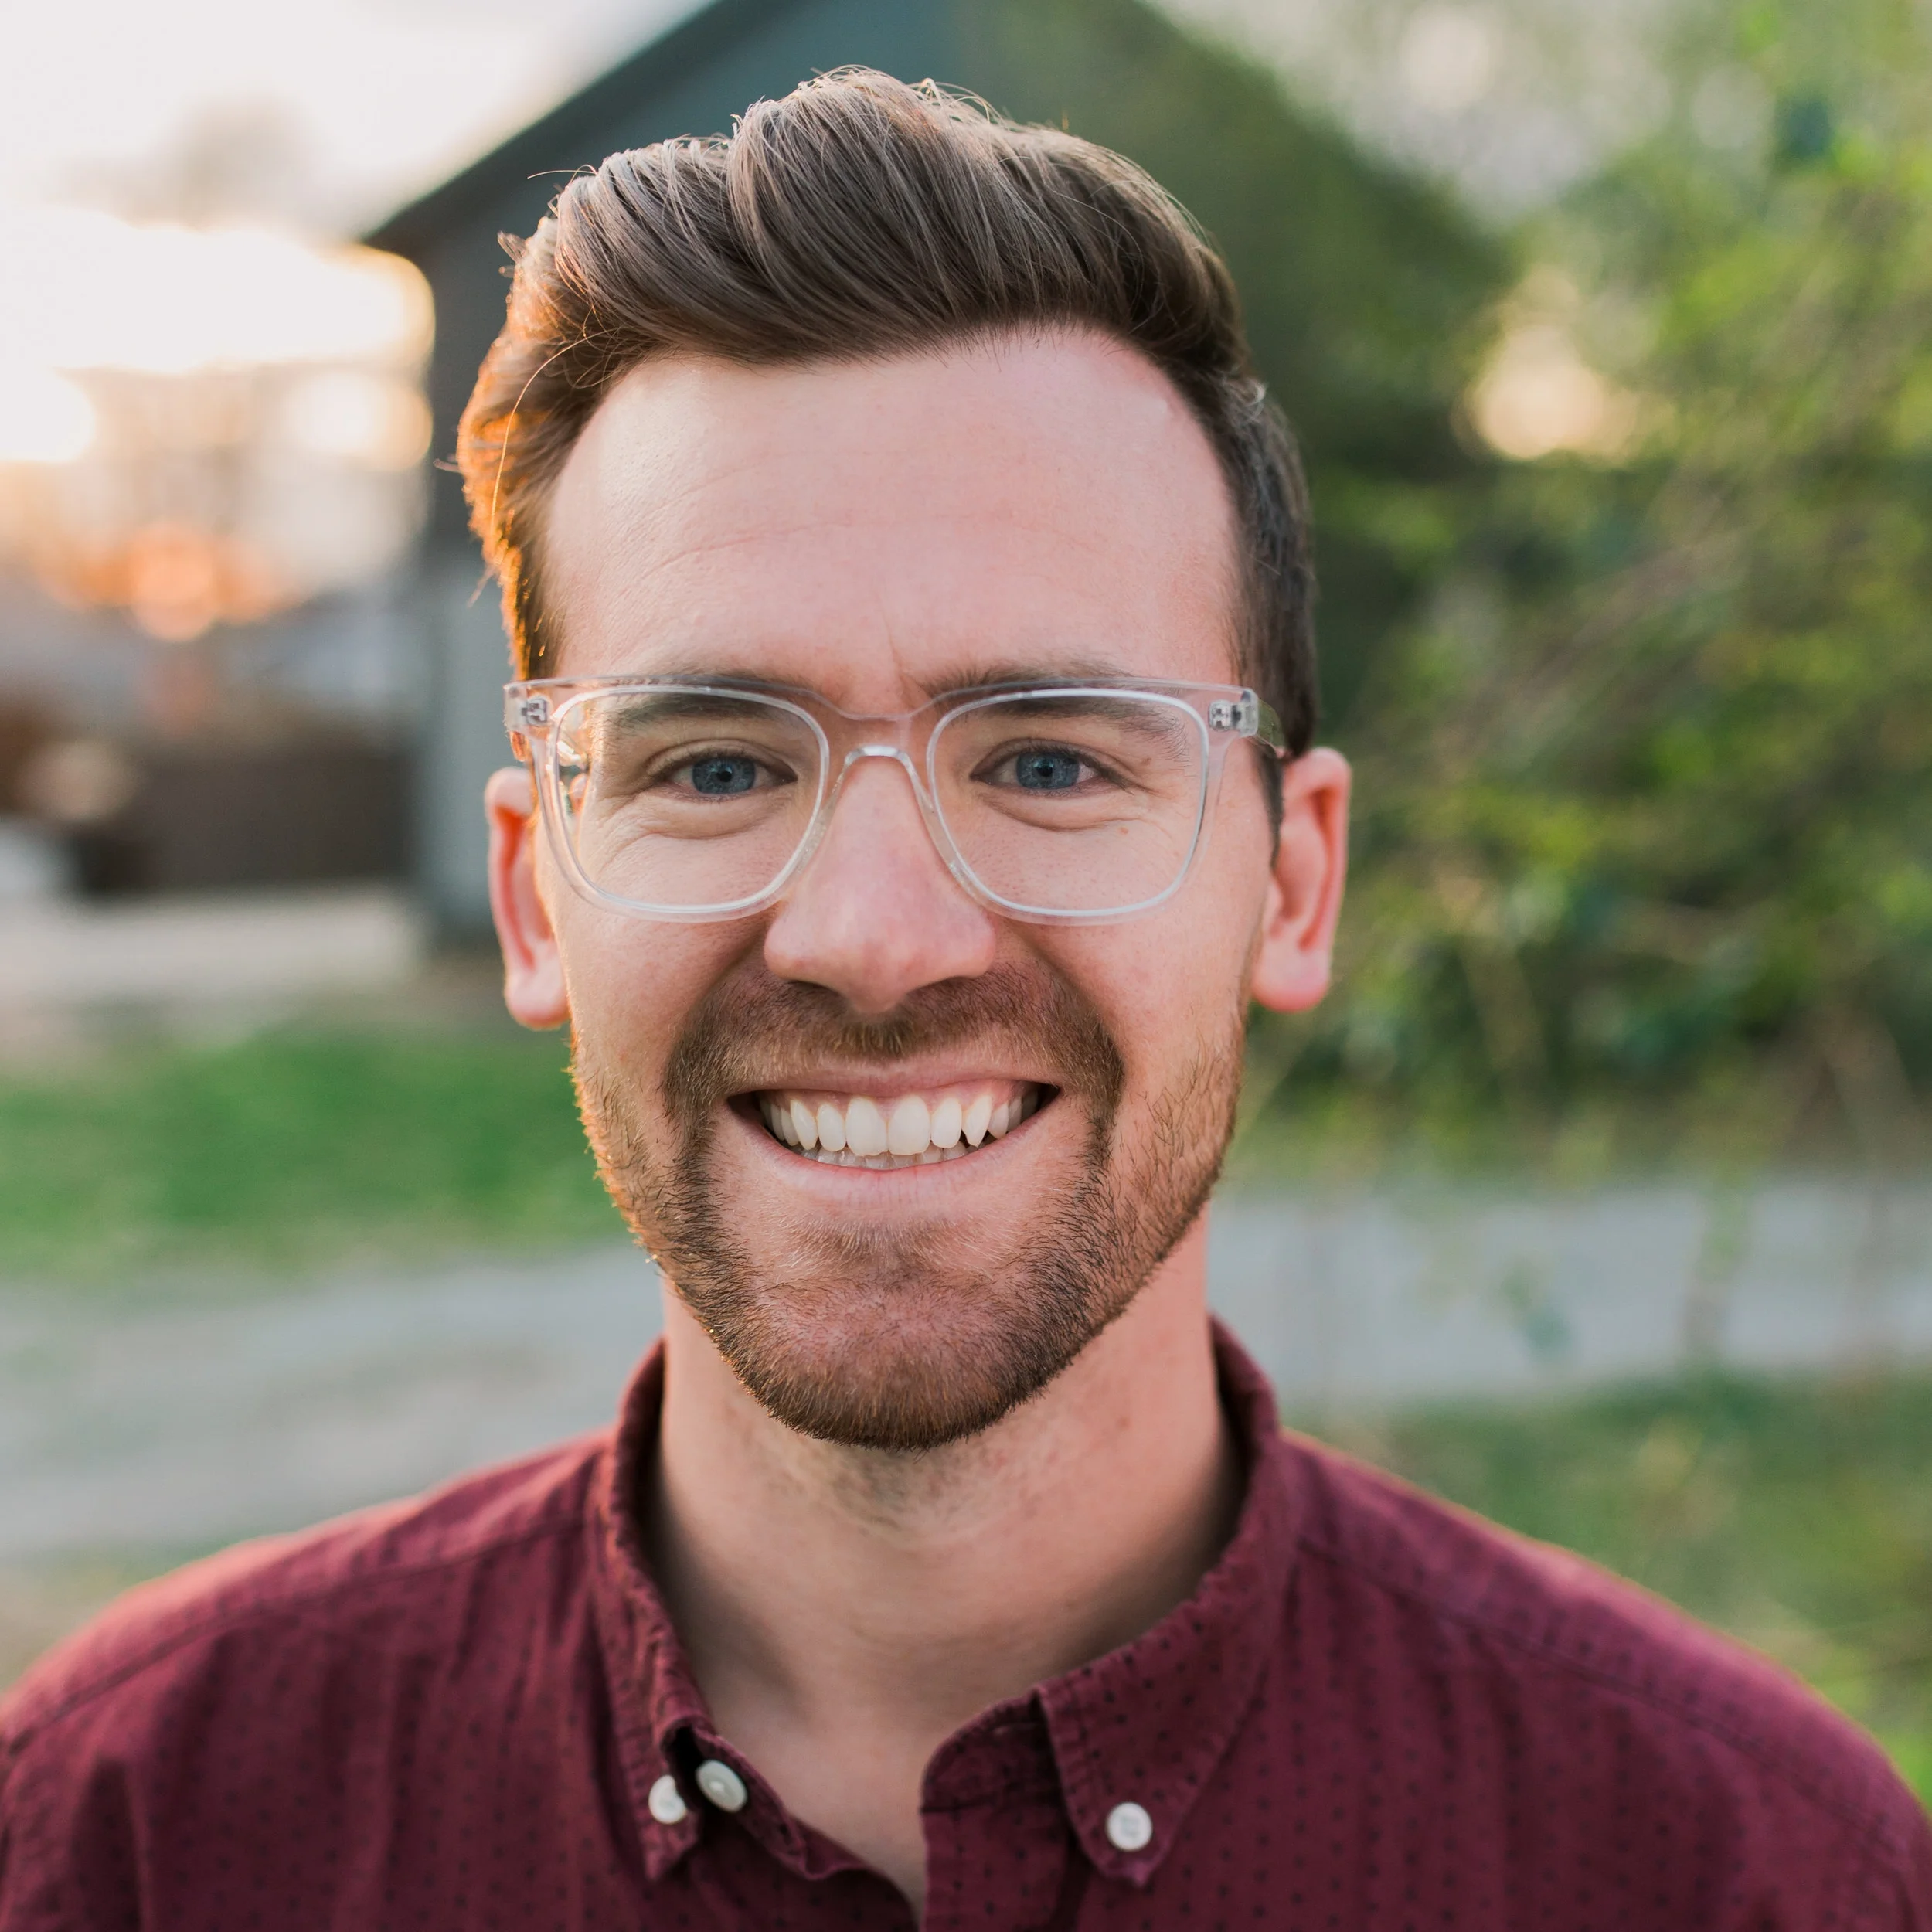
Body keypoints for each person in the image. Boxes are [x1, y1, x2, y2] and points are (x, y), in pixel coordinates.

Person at [2, 69, 1927, 1931]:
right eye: (714, 764)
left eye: (1051, 758)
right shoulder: (132, 1839)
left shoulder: (1747, 1874)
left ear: (1294, 877)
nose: (872, 933)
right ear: (532, 896)